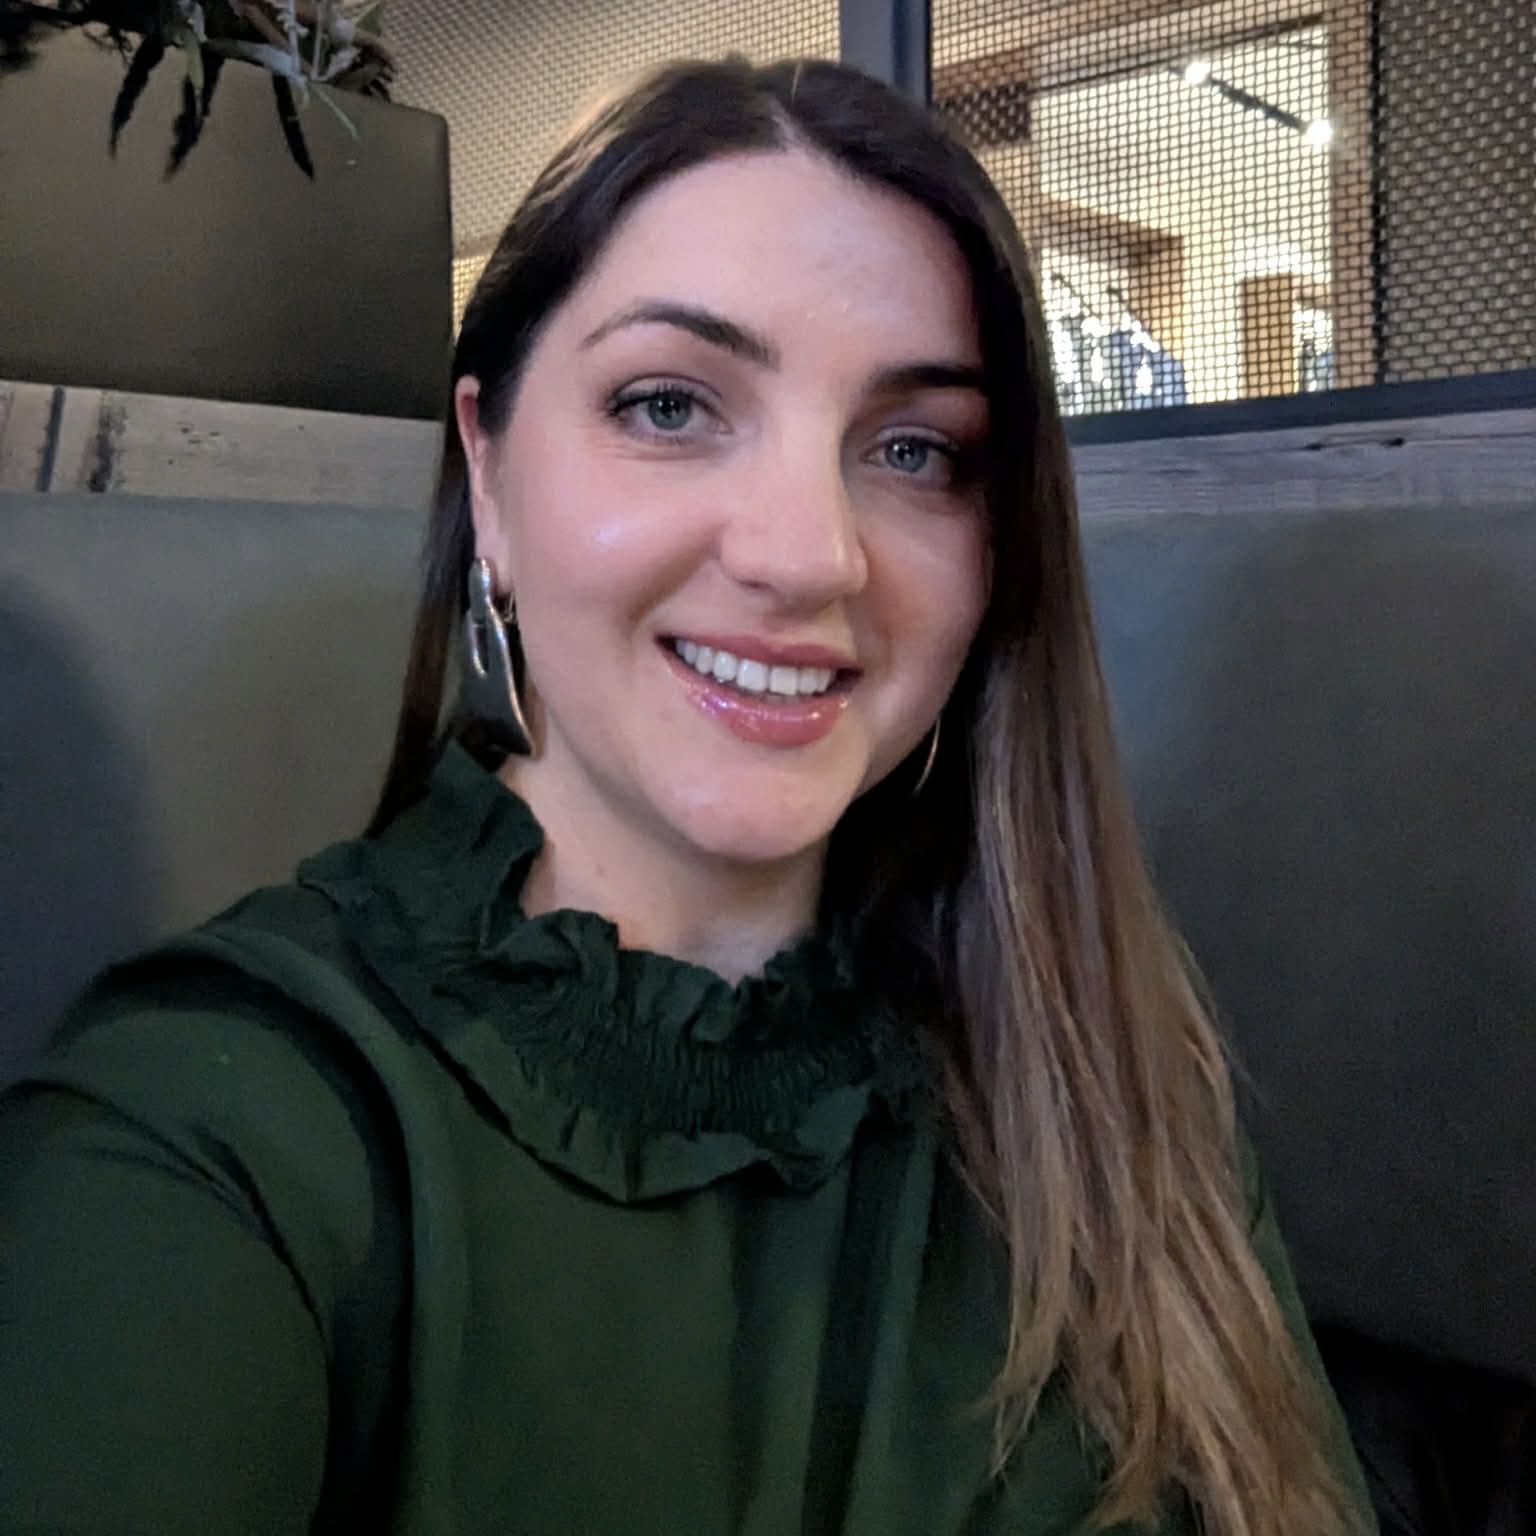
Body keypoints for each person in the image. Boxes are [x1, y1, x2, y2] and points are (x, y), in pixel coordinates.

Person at [0, 57, 1375, 1536]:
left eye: (914, 449)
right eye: (669, 406)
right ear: (489, 469)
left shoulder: (1105, 1066)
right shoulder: (216, 1132)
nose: (809, 554)